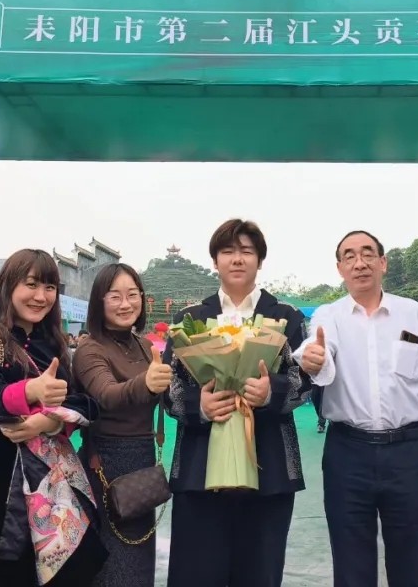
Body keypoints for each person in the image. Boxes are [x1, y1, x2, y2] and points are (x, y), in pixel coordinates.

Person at [294, 230, 418, 587]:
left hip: (407, 453)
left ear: (383, 262)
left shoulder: (413, 314)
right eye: (349, 256)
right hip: (347, 454)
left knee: (412, 562)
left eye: (368, 254)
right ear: (340, 268)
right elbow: (320, 350)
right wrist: (314, 358)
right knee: (351, 565)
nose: (359, 263)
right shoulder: (330, 315)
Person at [162, 218, 311, 587]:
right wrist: (200, 406)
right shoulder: (190, 318)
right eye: (228, 251)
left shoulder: (286, 316)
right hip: (199, 471)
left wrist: (271, 393)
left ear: (260, 260)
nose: (237, 258)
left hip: (270, 470)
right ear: (215, 261)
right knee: (196, 574)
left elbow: (306, 382)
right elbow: (169, 388)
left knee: (260, 573)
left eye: (247, 251)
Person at [0, 249, 103, 587]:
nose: (41, 296)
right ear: (8, 285)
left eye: (50, 287)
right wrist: (33, 390)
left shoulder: (53, 344)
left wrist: (52, 422)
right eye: (31, 284)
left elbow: (85, 403)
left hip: (45, 492)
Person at [73, 263, 173, 586]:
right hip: (106, 462)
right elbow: (106, 395)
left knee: (139, 561)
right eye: (115, 296)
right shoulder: (89, 349)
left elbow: (167, 395)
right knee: (112, 563)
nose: (125, 304)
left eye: (132, 294)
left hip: (143, 461)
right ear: (99, 302)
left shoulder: (144, 346)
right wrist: (147, 382)